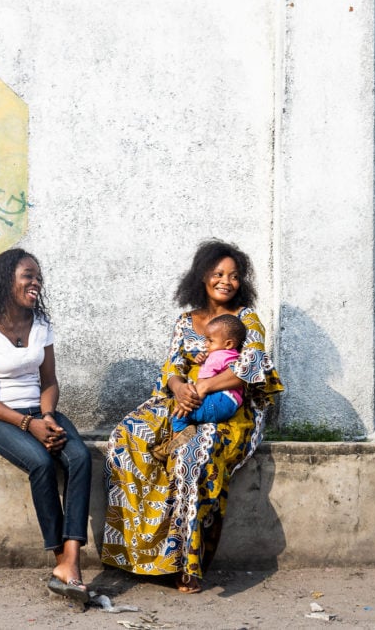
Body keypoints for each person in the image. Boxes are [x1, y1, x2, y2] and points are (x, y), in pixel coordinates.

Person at [102, 239, 283, 594]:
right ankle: (141, 555)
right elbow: (172, 367)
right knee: (127, 437)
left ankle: (188, 565)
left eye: (233, 275)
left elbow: (249, 369)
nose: (226, 281)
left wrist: (201, 388)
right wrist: (178, 386)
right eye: (218, 274)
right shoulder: (186, 321)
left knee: (193, 453)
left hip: (230, 411)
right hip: (184, 401)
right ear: (202, 276)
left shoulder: (247, 320)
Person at [0, 248, 93, 604]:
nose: (35, 282)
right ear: (7, 281)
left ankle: (71, 561)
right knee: (39, 462)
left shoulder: (41, 324)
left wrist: (47, 416)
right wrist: (27, 424)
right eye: (27, 276)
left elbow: (49, 381)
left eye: (38, 277)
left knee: (80, 457)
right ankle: (61, 562)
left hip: (40, 411)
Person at [151, 313, 247, 462]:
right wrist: (203, 361)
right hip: (232, 402)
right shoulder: (232, 354)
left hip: (219, 401)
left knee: (180, 413)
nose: (205, 344)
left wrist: (189, 400)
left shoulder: (216, 357)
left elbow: (203, 383)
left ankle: (173, 445)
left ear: (228, 343)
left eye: (210, 340)